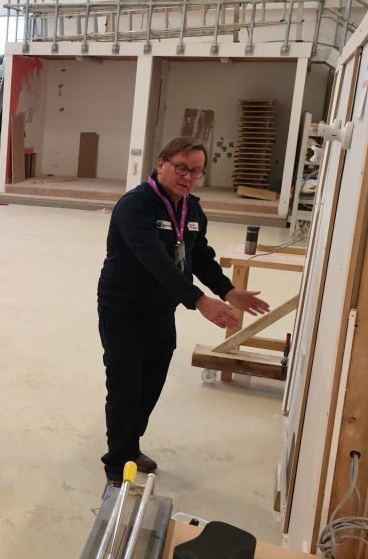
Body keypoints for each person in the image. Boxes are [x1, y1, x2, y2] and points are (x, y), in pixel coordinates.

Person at [96, 136, 270, 486]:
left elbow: (199, 256)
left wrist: (228, 290)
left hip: (162, 310)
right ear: (161, 164)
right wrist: (199, 299)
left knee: (150, 385)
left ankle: (130, 445)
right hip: (124, 309)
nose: (188, 177)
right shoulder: (135, 206)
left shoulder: (192, 209)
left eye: (196, 171)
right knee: (125, 386)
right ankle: (117, 465)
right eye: (181, 167)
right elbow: (155, 261)